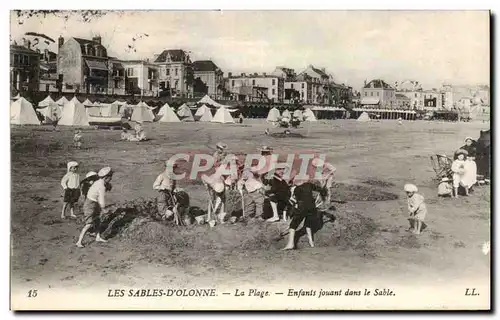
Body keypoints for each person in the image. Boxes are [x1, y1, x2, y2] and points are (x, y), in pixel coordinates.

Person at [282, 173, 326, 250]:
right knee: (308, 225)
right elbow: (320, 190)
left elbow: (298, 202)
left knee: (293, 226)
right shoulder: (309, 185)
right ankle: (311, 244)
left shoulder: (296, 189)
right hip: (312, 208)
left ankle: (290, 244)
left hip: (302, 207)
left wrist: (295, 213)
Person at [76, 167, 113, 248]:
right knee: (89, 224)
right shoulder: (101, 186)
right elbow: (101, 199)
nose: (110, 180)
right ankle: (79, 241)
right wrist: (103, 209)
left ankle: (98, 237)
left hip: (93, 203)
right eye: (110, 178)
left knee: (97, 220)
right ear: (106, 177)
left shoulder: (98, 182)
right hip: (90, 205)